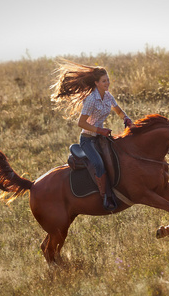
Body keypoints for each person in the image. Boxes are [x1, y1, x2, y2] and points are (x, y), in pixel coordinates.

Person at [51, 59, 133, 210]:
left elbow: (119, 111)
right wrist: (100, 130)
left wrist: (127, 119)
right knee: (99, 164)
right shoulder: (90, 100)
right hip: (88, 140)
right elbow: (81, 123)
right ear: (96, 83)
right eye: (103, 81)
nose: (107, 83)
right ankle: (106, 197)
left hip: (100, 138)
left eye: (108, 80)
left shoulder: (108, 96)